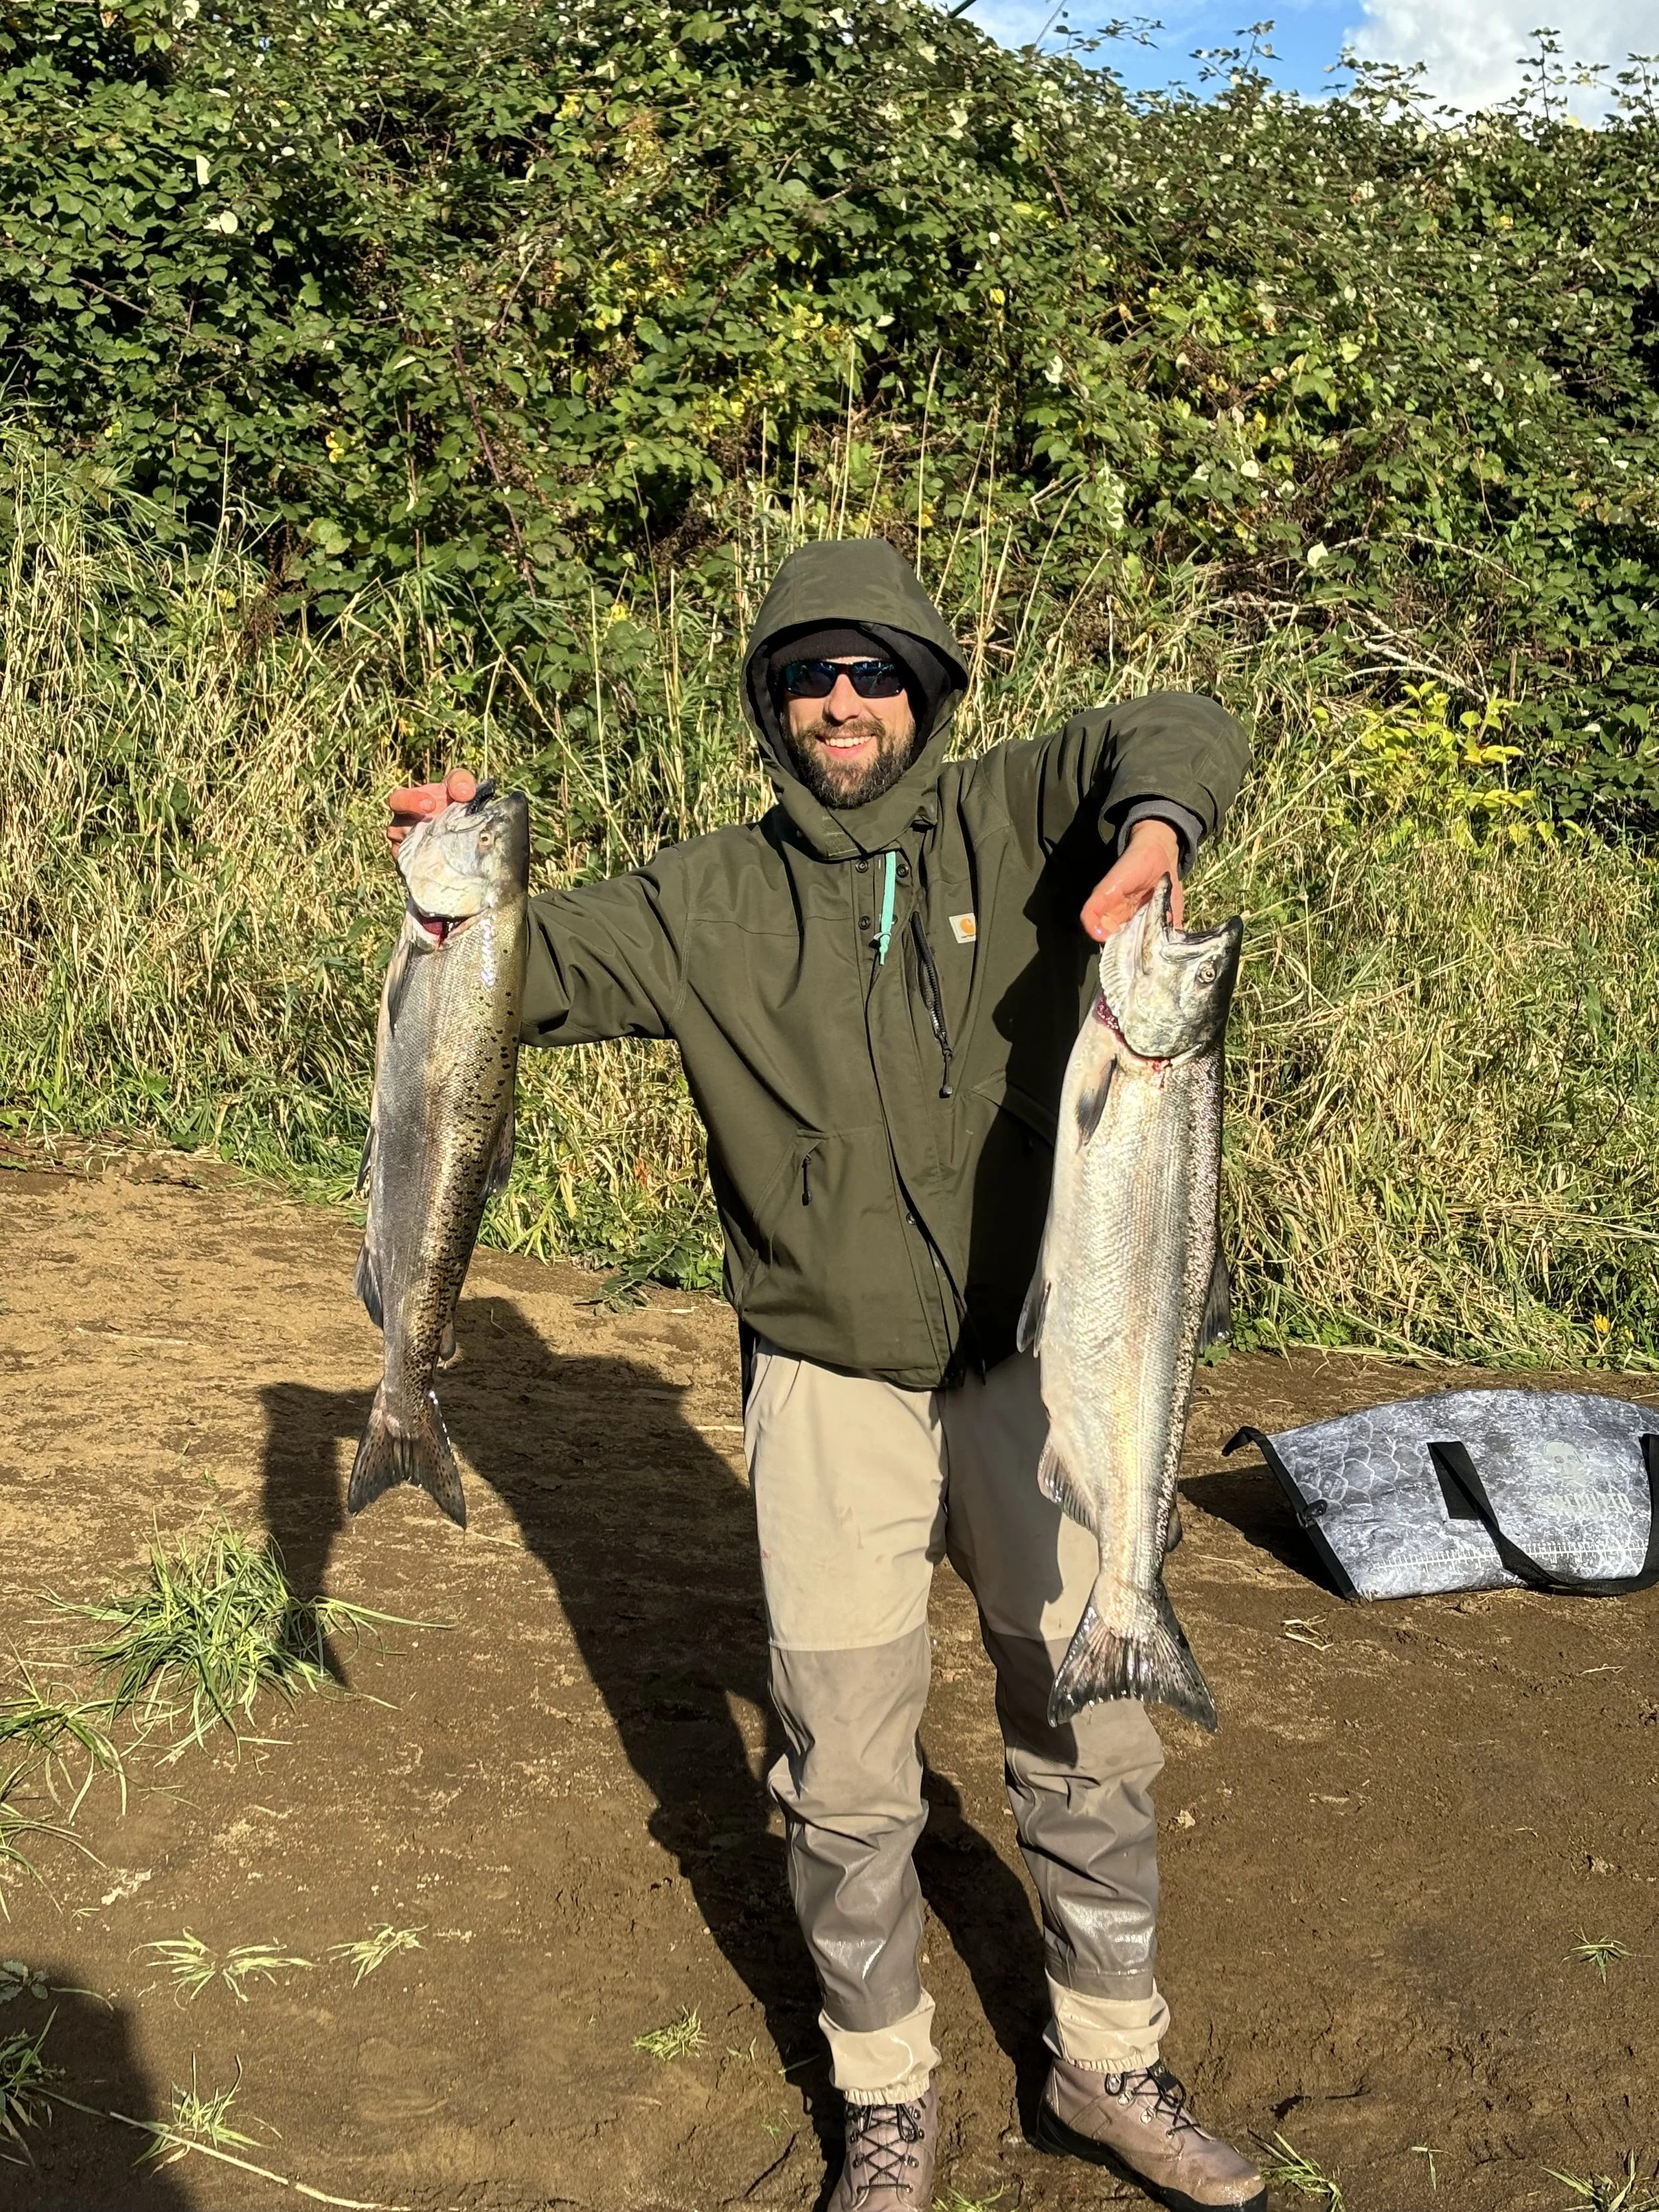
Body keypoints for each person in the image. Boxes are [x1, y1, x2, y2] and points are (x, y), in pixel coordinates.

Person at [388, 539, 1260, 2212]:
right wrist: (457, 893)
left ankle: (1105, 2056)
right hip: (824, 1379)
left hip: (1038, 1364)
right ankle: (884, 2091)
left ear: (923, 688)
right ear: (770, 704)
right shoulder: (704, 897)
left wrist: (1152, 835)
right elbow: (530, 975)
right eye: (807, 675)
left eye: (872, 672)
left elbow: (1178, 723)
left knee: (1088, 1722)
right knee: (846, 1768)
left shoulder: (1019, 817)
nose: (841, 702)